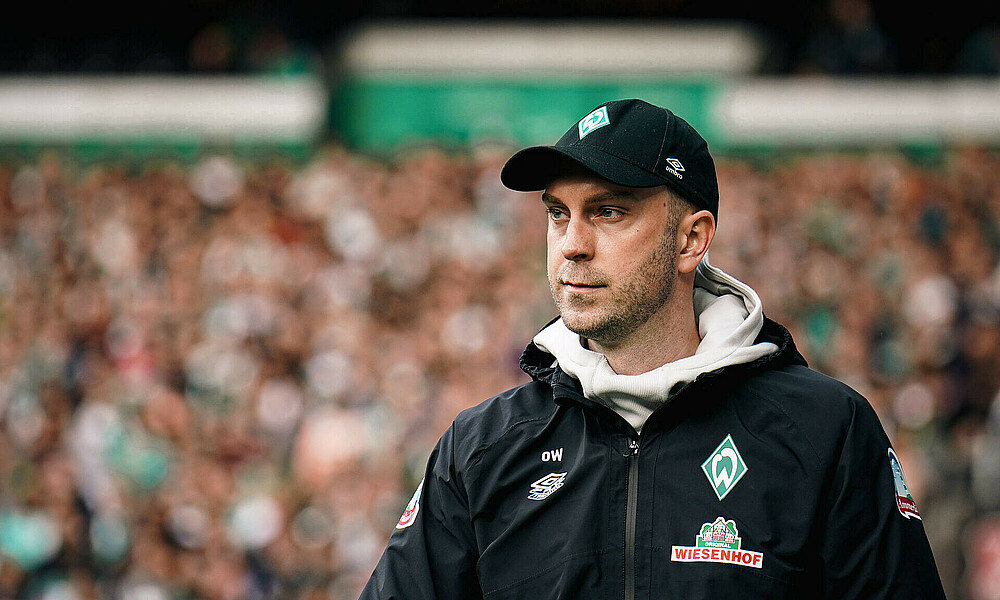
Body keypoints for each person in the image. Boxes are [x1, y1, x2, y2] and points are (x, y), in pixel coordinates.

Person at [359, 99, 947, 599]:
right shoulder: (482, 448)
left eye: (608, 212)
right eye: (558, 215)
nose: (572, 245)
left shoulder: (825, 431)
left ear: (692, 238)